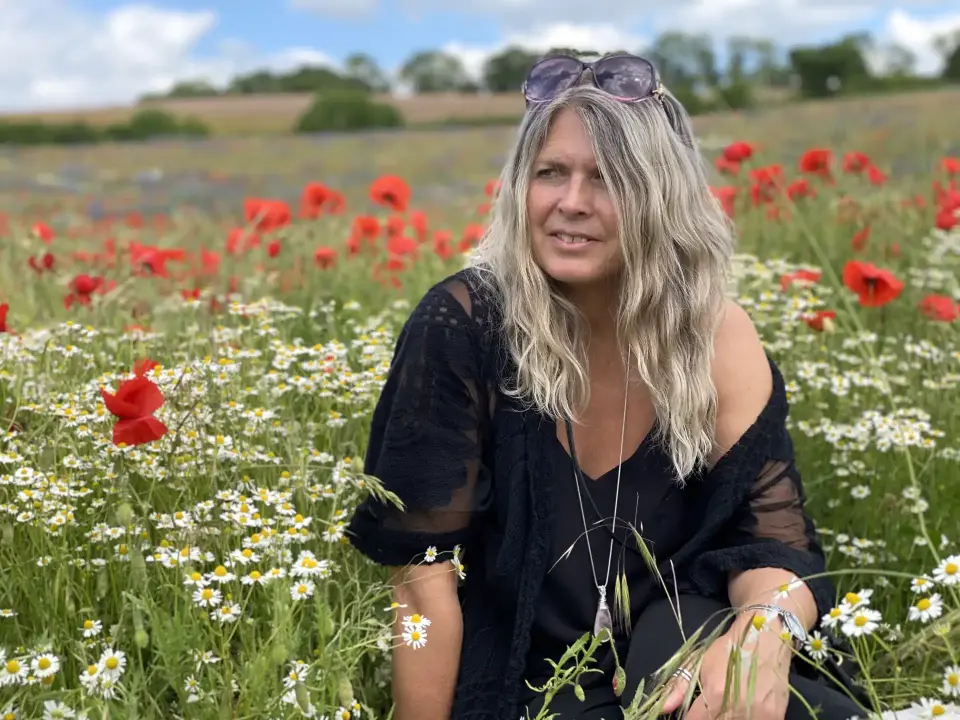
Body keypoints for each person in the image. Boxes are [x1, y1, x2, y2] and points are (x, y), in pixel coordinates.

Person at [347, 53, 868, 720]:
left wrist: (763, 634)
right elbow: (422, 588)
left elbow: (774, 541)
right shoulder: (463, 327)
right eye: (550, 173)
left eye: (607, 180)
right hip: (529, 687)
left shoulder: (715, 334)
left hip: (685, 663)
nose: (571, 203)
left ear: (661, 197)